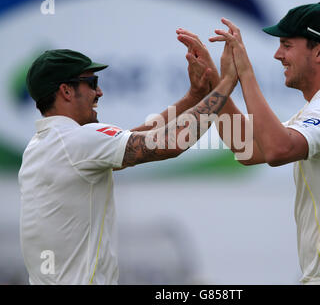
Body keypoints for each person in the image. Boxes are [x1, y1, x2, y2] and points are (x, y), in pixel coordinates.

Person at [178, 2, 320, 284]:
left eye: (287, 45)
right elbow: (248, 149)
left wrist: (246, 73)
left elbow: (278, 150)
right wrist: (216, 83)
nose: (278, 55)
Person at [18, 46, 238, 284]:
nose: (99, 92)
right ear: (66, 91)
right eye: (92, 82)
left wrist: (195, 96)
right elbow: (170, 143)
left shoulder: (41, 145)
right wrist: (225, 85)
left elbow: (136, 139)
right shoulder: (79, 140)